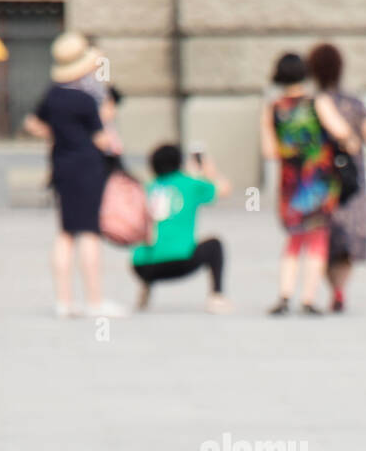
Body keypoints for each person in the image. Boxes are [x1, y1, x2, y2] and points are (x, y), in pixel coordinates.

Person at [25, 31, 126, 319]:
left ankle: (64, 301)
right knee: (90, 233)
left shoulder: (53, 95)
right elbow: (101, 139)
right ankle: (95, 300)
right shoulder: (85, 99)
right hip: (87, 168)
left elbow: (32, 123)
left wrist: (59, 134)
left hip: (61, 167)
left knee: (65, 233)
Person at [260, 52, 359, 315]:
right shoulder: (318, 102)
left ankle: (284, 295)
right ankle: (308, 298)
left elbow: (269, 151)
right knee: (317, 238)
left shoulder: (273, 108)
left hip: (291, 184)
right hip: (320, 182)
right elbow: (341, 132)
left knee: (293, 240)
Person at [307, 42, 366, 313]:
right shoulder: (354, 103)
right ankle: (340, 289)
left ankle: (332, 289)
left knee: (324, 238)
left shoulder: (311, 104)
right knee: (348, 240)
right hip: (353, 181)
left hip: (320, 182)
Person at [131, 143, 232, 314]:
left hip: (143, 266)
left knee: (152, 240)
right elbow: (225, 189)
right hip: (181, 262)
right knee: (215, 244)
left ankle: (147, 285)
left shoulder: (147, 189)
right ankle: (216, 296)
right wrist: (208, 168)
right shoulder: (189, 184)